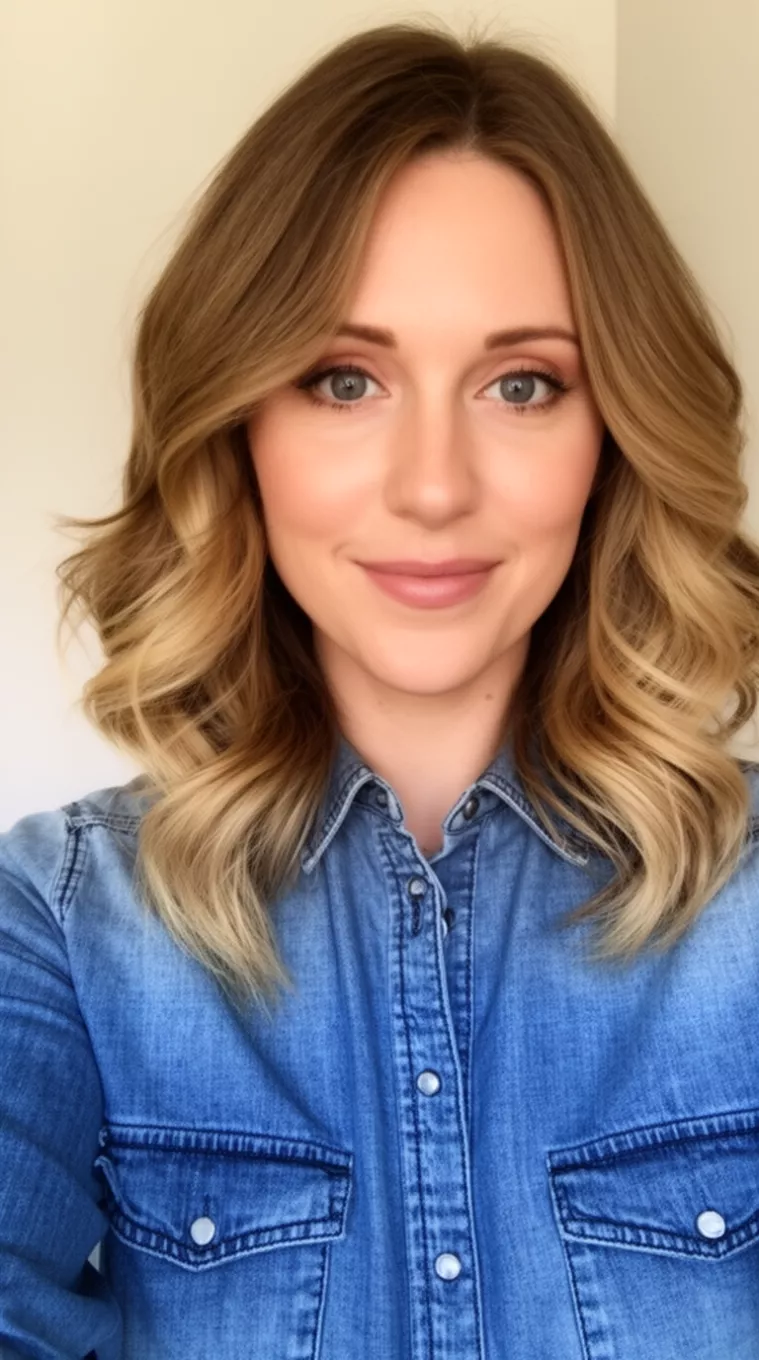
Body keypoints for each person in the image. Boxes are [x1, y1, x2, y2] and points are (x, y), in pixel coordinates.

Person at [2, 19, 759, 1360]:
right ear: (238, 425)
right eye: (342, 379)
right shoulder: (62, 927)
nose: (432, 486)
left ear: (615, 434)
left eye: (521, 384)